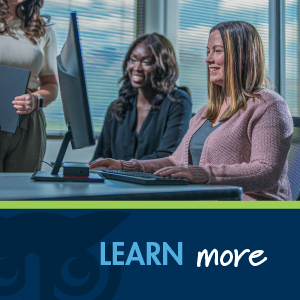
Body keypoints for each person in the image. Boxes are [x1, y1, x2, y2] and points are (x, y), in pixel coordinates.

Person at [90, 21, 293, 201]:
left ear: (241, 55)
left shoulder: (268, 105)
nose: (208, 59)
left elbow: (266, 171)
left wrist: (199, 174)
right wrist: (126, 167)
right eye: (207, 52)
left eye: (217, 51)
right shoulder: (206, 112)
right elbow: (174, 161)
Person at [92, 33, 192, 161]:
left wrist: (123, 167)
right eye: (133, 60)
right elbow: (101, 157)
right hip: (117, 181)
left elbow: (168, 157)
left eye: (146, 62)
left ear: (162, 67)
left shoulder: (178, 102)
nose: (136, 68)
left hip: (157, 180)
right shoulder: (117, 107)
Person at [0, 0, 58, 172]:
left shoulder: (43, 29)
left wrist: (35, 99)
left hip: (29, 123)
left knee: (23, 194)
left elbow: (51, 85)